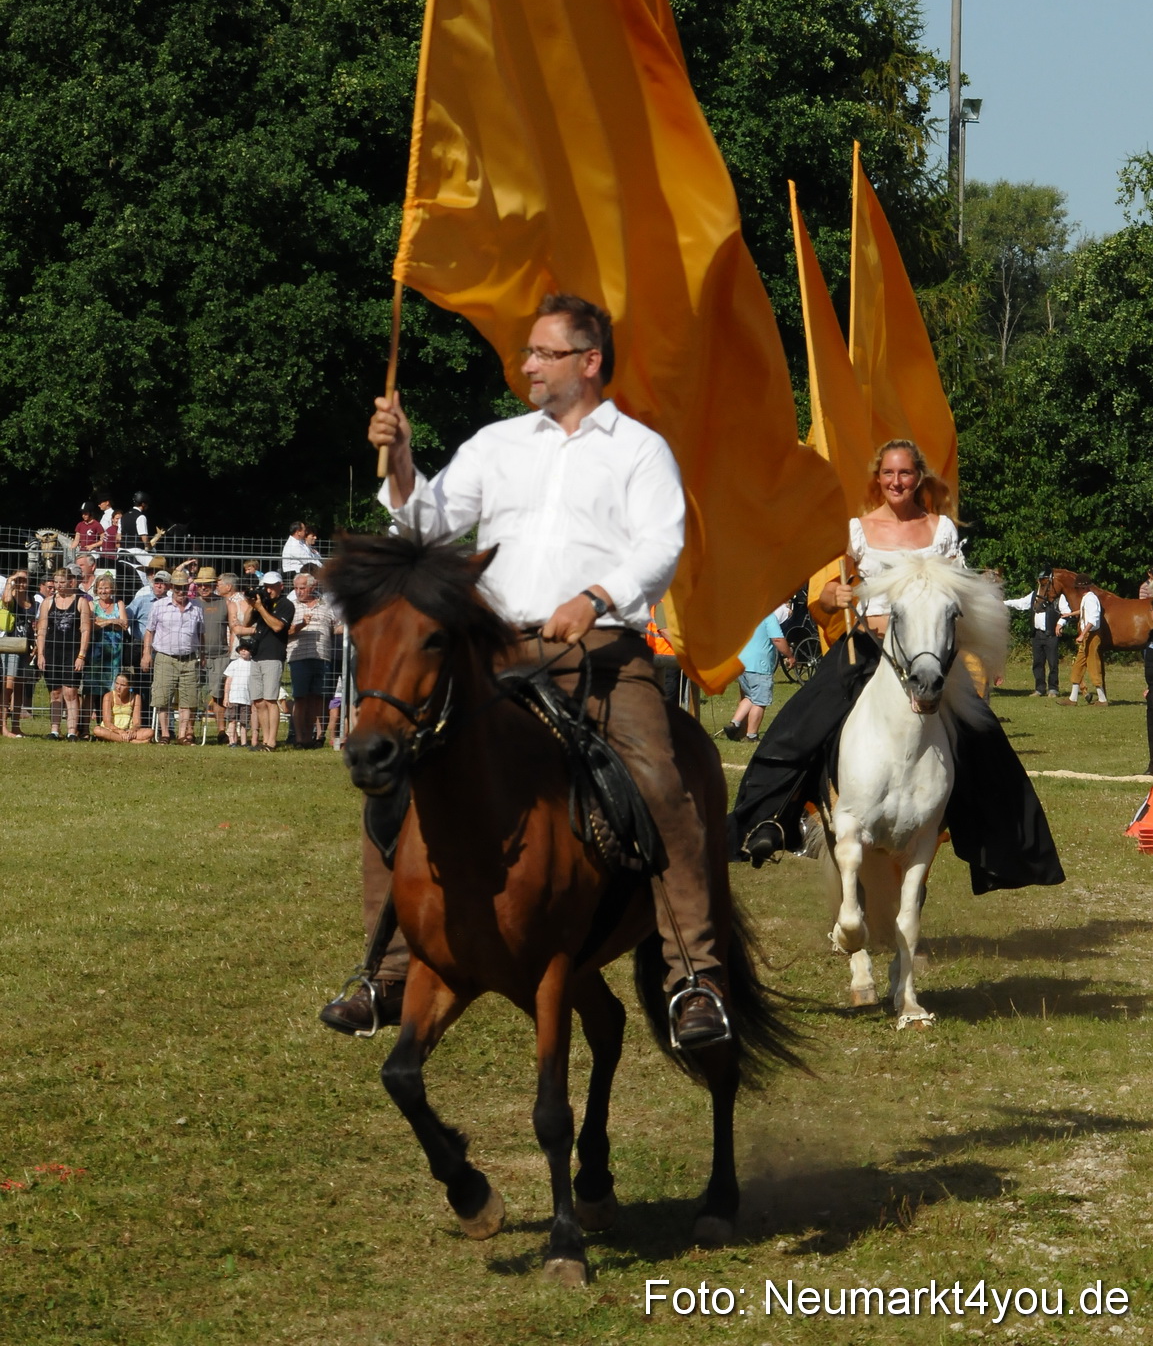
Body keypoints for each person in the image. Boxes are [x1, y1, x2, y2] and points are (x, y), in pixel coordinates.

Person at [324, 292, 728, 1050]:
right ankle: (388, 972)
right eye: (529, 353)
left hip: (601, 654)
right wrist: (402, 459)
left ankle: (693, 978)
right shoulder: (497, 443)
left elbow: (660, 545)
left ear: (590, 361)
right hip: (495, 654)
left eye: (544, 353)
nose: (529, 365)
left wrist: (594, 597)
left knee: (661, 784)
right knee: (398, 774)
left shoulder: (640, 450)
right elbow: (426, 524)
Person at [727, 439, 1064, 895]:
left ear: (918, 477)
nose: (896, 482)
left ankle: (1002, 847)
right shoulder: (857, 530)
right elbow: (823, 602)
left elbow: (959, 596)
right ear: (878, 478)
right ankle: (768, 821)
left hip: (926, 652)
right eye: (888, 473)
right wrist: (831, 598)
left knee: (985, 740)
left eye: (905, 473)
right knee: (800, 723)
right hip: (867, 647)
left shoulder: (941, 530)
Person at [142, 570, 203, 744]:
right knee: (162, 697)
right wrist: (146, 653)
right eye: (177, 588)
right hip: (165, 657)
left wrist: (203, 653)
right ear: (172, 587)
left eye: (183, 587)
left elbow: (201, 634)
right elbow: (149, 631)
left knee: (188, 698)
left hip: (189, 659)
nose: (180, 591)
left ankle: (182, 735)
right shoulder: (159, 606)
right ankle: (165, 733)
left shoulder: (197, 607)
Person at [723, 603, 794, 742]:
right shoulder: (768, 616)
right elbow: (777, 639)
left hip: (741, 663)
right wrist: (789, 655)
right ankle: (752, 735)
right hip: (759, 665)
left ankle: (734, 724)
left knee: (751, 696)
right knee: (760, 701)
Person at [36, 567, 91, 741]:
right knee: (55, 692)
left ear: (70, 582)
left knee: (71, 692)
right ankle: (54, 730)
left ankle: (72, 731)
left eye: (62, 582)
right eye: (56, 582)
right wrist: (40, 654)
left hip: (72, 652)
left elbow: (85, 630)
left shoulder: (81, 602)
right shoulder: (47, 602)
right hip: (52, 651)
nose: (58, 585)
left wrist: (81, 655)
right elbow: (42, 630)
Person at [245, 572, 293, 750]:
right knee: (258, 701)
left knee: (270, 699)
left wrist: (261, 608)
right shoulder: (262, 603)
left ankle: (272, 741)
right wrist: (252, 604)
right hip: (257, 655)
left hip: (273, 655)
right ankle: (265, 740)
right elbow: (246, 622)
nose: (269, 590)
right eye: (266, 586)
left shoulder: (286, 604)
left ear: (281, 586)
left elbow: (277, 626)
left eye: (272, 586)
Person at [286, 572, 334, 748]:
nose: (298, 591)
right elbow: (285, 631)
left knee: (317, 698)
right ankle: (300, 738)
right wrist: (301, 625)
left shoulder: (326, 605)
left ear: (312, 587)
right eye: (296, 588)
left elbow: (335, 627)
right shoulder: (291, 606)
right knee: (300, 698)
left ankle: (313, 737)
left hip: (322, 657)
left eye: (302, 588)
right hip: (299, 657)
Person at [1004, 574, 1071, 697]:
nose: (1041, 584)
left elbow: (1066, 613)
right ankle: (1040, 689)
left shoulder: (1058, 597)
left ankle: (1053, 689)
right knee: (1037, 663)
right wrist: (1004, 603)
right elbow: (1021, 603)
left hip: (1051, 635)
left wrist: (1060, 624)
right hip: (1037, 634)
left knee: (1053, 663)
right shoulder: (1034, 595)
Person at [83, 570, 128, 727]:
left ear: (112, 589)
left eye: (106, 588)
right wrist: (112, 621)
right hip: (95, 656)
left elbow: (125, 624)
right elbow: (91, 624)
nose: (103, 591)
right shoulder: (91, 605)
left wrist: (102, 621)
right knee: (90, 692)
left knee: (110, 692)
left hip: (114, 657)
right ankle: (84, 727)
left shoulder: (119, 604)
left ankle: (107, 726)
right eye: (100, 588)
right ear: (96, 590)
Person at [194, 567, 231, 743]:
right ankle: (188, 732)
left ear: (214, 584)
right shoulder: (192, 603)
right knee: (192, 694)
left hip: (220, 655)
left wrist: (231, 648)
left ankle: (221, 731)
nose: (203, 588)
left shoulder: (224, 603)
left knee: (218, 695)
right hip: (196, 655)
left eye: (207, 584)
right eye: (200, 585)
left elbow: (234, 626)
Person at [1, 571, 36, 738]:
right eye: (19, 580)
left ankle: (15, 726)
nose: (22, 583)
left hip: (26, 646)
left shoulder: (32, 599)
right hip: (11, 645)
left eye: (24, 580)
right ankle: (3, 726)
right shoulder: (11, 596)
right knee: (8, 686)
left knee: (20, 686)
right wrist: (10, 581)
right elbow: (6, 600)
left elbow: (34, 624)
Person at [1067, 586, 1106, 705]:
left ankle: (1102, 699)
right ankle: (1073, 698)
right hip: (1087, 636)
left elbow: (1093, 619)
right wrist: (1070, 614)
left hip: (1092, 635)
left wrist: (1082, 634)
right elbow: (1085, 612)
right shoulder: (1086, 598)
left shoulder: (1091, 599)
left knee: (1093, 664)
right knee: (1078, 665)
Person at [91, 673, 153, 743]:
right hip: (111, 730)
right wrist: (120, 731)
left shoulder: (136, 697)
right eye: (117, 683)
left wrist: (133, 730)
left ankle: (115, 738)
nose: (118, 687)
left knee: (150, 732)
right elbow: (107, 722)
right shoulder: (108, 696)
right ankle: (134, 742)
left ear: (130, 686)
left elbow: (137, 722)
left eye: (123, 685)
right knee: (97, 730)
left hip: (128, 730)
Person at [223, 644, 254, 748]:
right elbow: (228, 681)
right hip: (233, 697)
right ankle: (232, 741)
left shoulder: (253, 665)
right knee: (232, 720)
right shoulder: (234, 664)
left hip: (246, 698)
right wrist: (226, 696)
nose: (243, 651)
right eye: (241, 649)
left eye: (246, 649)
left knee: (244, 722)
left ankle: (244, 742)